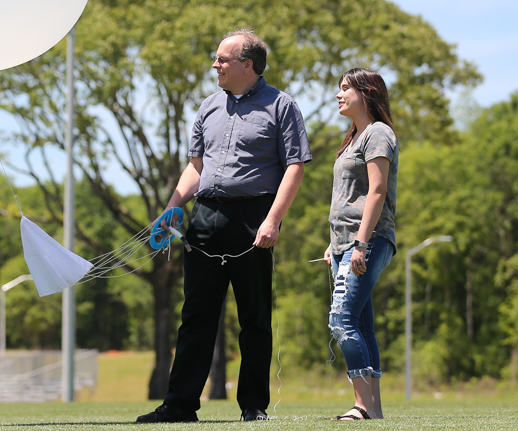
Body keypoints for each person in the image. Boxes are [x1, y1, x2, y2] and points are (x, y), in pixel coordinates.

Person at [137, 29, 311, 423]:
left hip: (254, 219)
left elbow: (295, 167)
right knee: (195, 316)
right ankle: (179, 405)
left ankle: (253, 406)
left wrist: (272, 221)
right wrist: (171, 208)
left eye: (222, 59)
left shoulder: (282, 106)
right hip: (206, 217)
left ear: (246, 65)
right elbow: (196, 167)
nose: (214, 65)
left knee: (253, 318)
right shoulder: (208, 106)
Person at [326, 68, 398, 421]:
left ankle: (362, 406)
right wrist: (334, 245)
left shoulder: (378, 133)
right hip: (347, 244)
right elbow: (345, 197)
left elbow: (377, 191)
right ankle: (375, 410)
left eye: (344, 89)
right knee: (362, 325)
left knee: (342, 320)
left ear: (365, 92)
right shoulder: (352, 137)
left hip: (367, 241)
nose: (338, 95)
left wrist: (360, 244)